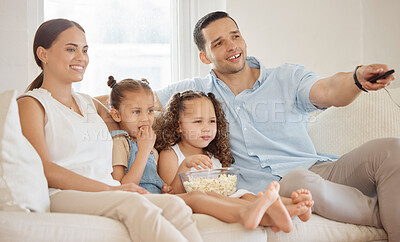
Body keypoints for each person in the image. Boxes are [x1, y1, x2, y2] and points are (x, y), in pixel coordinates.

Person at [153, 11, 399, 241]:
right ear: (205, 56)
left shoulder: (286, 77)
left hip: (321, 169)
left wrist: (357, 78)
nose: (231, 46)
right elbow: (139, 99)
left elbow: (329, 90)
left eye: (235, 36)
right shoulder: (195, 94)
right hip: (278, 187)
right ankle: (385, 211)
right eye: (218, 43)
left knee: (389, 150)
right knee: (300, 181)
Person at [17, 18, 204, 242]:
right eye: (71, 49)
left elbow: (130, 110)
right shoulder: (31, 104)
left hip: (110, 190)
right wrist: (109, 190)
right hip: (64, 194)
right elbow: (45, 169)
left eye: (85, 50)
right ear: (43, 54)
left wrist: (186, 118)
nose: (81, 58)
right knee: (134, 204)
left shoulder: (89, 104)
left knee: (174, 206)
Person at [106, 76, 310, 232]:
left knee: (245, 194)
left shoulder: (151, 147)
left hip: (167, 198)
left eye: (150, 111)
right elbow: (126, 188)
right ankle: (266, 209)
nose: (146, 119)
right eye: (136, 112)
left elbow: (165, 188)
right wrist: (167, 161)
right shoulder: (124, 143)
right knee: (204, 197)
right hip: (153, 201)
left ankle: (293, 206)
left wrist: (148, 151)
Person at [154, 90, 313, 223]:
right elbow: (170, 195)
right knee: (240, 199)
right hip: (203, 204)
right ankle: (279, 209)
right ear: (178, 125)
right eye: (198, 122)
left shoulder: (212, 156)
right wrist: (185, 166)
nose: (207, 128)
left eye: (211, 121)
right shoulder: (171, 154)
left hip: (227, 198)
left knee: (246, 195)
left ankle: (294, 205)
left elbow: (226, 188)